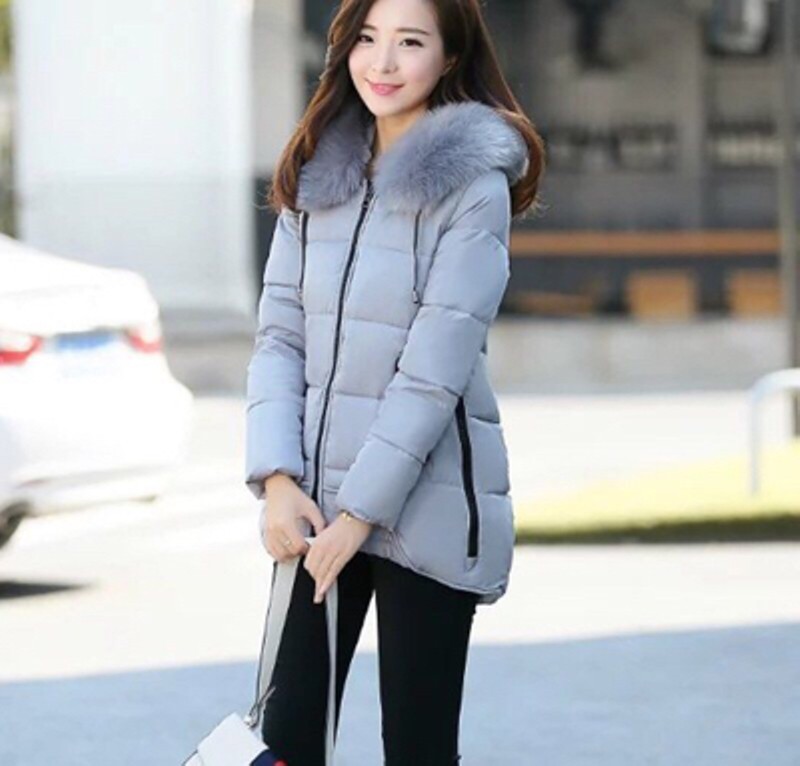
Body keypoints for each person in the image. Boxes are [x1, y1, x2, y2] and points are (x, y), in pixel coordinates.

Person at [244, 0, 545, 763]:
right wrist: (277, 479)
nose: (382, 63)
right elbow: (280, 338)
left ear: (450, 57)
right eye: (367, 39)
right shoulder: (316, 175)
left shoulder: (472, 189)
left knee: (417, 748)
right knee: (286, 742)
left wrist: (360, 516)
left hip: (428, 510)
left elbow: (432, 372)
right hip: (314, 508)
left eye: (410, 42)